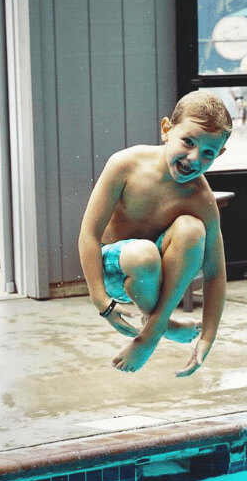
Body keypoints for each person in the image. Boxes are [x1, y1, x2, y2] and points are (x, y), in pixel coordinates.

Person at [78, 90, 232, 376]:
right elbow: (89, 234)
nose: (194, 158)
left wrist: (207, 339)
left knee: (192, 229)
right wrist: (100, 300)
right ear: (166, 130)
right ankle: (162, 325)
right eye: (188, 142)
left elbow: (214, 274)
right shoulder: (126, 165)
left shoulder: (201, 198)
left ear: (219, 154)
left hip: (157, 278)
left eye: (209, 153)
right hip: (117, 274)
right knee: (143, 254)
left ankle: (152, 330)